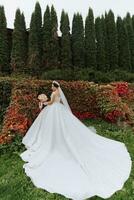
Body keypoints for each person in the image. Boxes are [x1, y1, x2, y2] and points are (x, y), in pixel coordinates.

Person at [20, 80, 132, 200]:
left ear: (55, 86)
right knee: (61, 127)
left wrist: (43, 102)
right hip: (59, 110)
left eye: (52, 86)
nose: (51, 87)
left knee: (55, 128)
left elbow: (52, 103)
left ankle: (53, 141)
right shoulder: (58, 92)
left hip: (54, 110)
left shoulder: (54, 93)